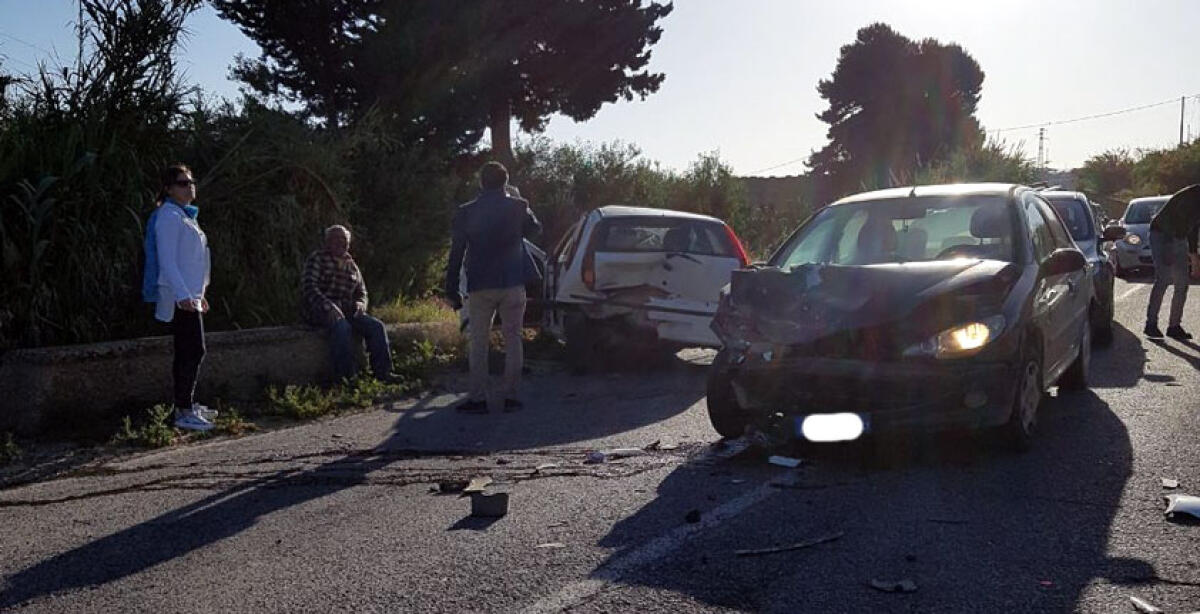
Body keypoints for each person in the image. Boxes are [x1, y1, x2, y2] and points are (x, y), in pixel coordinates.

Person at [445, 161, 541, 413]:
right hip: (512, 281)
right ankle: (510, 395)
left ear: (481, 182)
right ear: (505, 181)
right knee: (513, 339)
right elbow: (535, 230)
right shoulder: (518, 206)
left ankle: (478, 398)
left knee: (478, 341)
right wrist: (521, 206)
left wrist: (451, 287)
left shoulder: (466, 211)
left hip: (480, 283)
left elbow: (456, 252)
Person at [147, 164, 216, 431]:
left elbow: (196, 261)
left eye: (191, 181)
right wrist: (184, 295)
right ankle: (183, 410)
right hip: (179, 297)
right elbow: (168, 260)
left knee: (189, 351)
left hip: (191, 295)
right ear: (168, 188)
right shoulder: (168, 216)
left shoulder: (185, 216)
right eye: (182, 183)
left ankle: (185, 404)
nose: (190, 186)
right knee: (193, 349)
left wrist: (201, 293)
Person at [301, 225, 397, 383]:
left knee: (376, 326)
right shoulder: (318, 258)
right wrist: (328, 306)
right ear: (327, 242)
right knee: (342, 327)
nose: (340, 242)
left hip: (347, 310)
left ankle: (383, 373)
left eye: (343, 239)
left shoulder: (352, 265)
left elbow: (362, 292)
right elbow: (309, 287)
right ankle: (346, 379)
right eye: (335, 238)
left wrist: (360, 304)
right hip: (320, 310)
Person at [1145, 184, 1200, 340]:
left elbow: (1193, 228)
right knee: (1163, 278)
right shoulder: (1192, 196)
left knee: (1182, 283)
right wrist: (1190, 257)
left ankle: (1174, 326)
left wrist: (1193, 256)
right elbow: (1180, 224)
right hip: (1162, 234)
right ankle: (1151, 324)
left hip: (1179, 236)